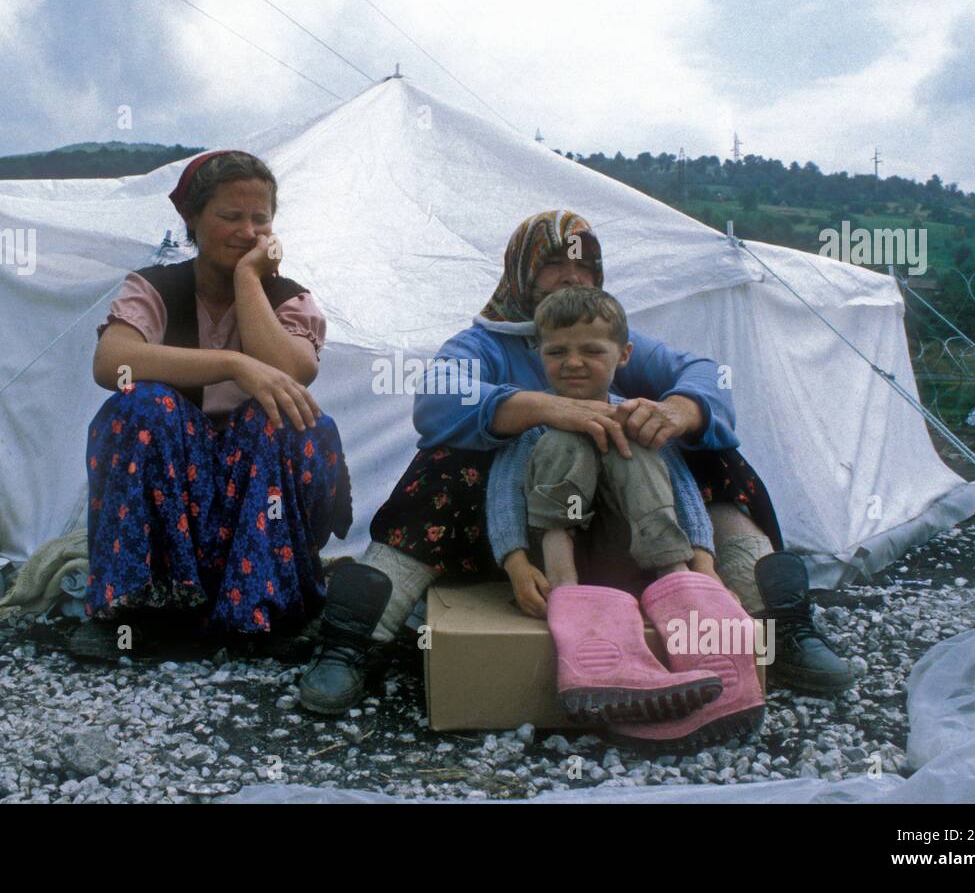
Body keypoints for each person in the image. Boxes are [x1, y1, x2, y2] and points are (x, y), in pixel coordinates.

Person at [299, 209, 851, 714]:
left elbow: (704, 374)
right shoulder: (482, 345)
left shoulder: (605, 334)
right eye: (552, 264)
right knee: (446, 466)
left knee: (713, 455)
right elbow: (438, 400)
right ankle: (355, 640)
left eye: (584, 265)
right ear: (521, 272)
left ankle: (775, 626)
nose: (571, 277)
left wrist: (680, 411)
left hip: (626, 528)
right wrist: (545, 409)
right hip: (519, 532)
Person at [73, 150, 352, 659]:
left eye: (260, 219)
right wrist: (232, 365)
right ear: (192, 219)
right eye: (230, 217)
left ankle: (264, 607)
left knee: (285, 420)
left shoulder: (289, 298)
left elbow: (291, 372)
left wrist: (248, 279)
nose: (248, 231)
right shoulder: (154, 287)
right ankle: (133, 608)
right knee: (142, 406)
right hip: (175, 475)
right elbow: (112, 364)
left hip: (255, 474)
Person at [490, 285, 765, 746]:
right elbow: (501, 497)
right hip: (564, 565)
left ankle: (684, 596)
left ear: (624, 355)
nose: (573, 362)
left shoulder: (640, 416)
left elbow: (681, 489)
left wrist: (703, 564)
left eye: (591, 350)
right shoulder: (534, 420)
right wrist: (516, 564)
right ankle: (584, 627)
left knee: (633, 444)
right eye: (557, 351)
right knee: (562, 441)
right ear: (539, 354)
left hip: (637, 560)